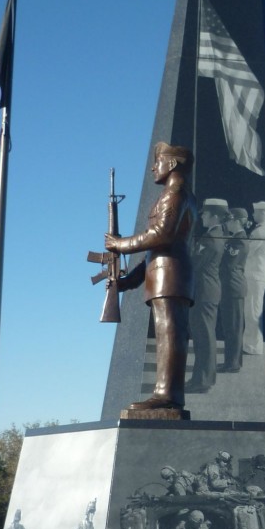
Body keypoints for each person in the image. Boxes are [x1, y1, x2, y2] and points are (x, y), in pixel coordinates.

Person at [105, 142, 196, 410]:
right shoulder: (173, 194)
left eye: (158, 162)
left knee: (169, 333)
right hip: (163, 273)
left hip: (170, 274)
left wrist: (119, 245)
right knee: (167, 333)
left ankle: (166, 395)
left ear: (173, 164)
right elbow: (154, 250)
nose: (154, 167)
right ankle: (165, 393)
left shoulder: (174, 194)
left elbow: (161, 235)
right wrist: (129, 282)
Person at [186, 199, 227, 392]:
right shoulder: (216, 235)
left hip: (204, 291)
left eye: (205, 214)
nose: (202, 216)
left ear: (215, 216)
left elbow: (195, 263)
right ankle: (200, 379)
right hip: (207, 290)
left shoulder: (211, 239)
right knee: (202, 336)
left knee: (204, 337)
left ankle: (203, 381)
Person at [243, 201, 265, 355]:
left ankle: (253, 346)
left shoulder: (259, 232)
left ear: (264, 213)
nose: (253, 214)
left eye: (256, 212)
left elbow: (246, 251)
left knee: (252, 311)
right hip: (259, 275)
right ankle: (253, 344)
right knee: (254, 310)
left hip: (254, 276)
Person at [218, 207, 249, 372]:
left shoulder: (240, 240)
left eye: (229, 220)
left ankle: (233, 364)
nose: (227, 223)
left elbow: (229, 265)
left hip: (233, 287)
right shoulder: (233, 239)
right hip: (229, 287)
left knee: (234, 328)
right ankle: (231, 361)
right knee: (229, 327)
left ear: (237, 221)